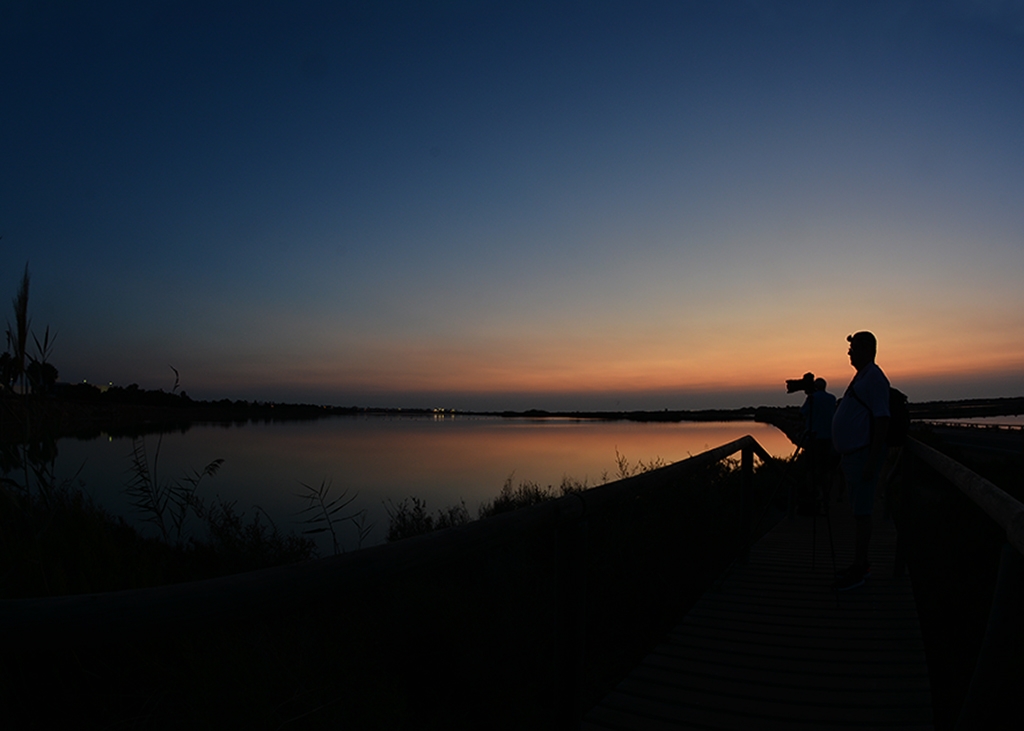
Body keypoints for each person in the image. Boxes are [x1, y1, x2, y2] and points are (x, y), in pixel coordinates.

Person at [831, 331, 890, 591]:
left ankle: (860, 568)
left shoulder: (875, 378)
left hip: (863, 456)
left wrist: (871, 461)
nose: (849, 352)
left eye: (853, 348)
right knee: (858, 513)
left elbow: (882, 420)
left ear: (867, 349)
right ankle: (858, 563)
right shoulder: (863, 376)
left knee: (863, 513)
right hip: (854, 456)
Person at [799, 377, 837, 514]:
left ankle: (813, 496)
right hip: (828, 438)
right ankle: (826, 496)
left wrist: (809, 397)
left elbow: (803, 412)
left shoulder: (812, 398)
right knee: (826, 469)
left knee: (811, 468)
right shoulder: (832, 398)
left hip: (813, 438)